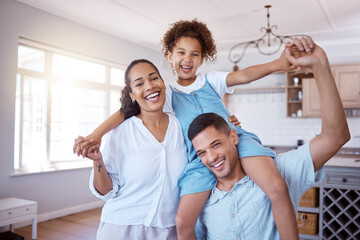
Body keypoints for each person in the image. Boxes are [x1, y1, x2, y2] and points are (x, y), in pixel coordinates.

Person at [74, 19, 302, 240]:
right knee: (184, 222)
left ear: (203, 58)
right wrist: (96, 135)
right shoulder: (167, 94)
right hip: (199, 159)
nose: (187, 59)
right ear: (170, 56)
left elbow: (243, 75)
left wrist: (279, 64)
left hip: (235, 141)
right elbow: (127, 111)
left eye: (195, 54)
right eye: (181, 52)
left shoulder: (211, 80)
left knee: (276, 187)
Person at [187, 37, 350, 239]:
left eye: (216, 144)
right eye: (202, 152)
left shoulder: (279, 171)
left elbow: (335, 137)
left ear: (234, 137)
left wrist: (320, 66)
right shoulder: (199, 198)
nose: (211, 158)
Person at [83, 59, 187, 239]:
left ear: (163, 84)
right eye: (139, 83)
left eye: (154, 78)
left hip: (169, 230)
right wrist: (97, 160)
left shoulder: (180, 127)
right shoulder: (121, 132)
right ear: (132, 95)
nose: (149, 86)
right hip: (121, 229)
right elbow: (106, 192)